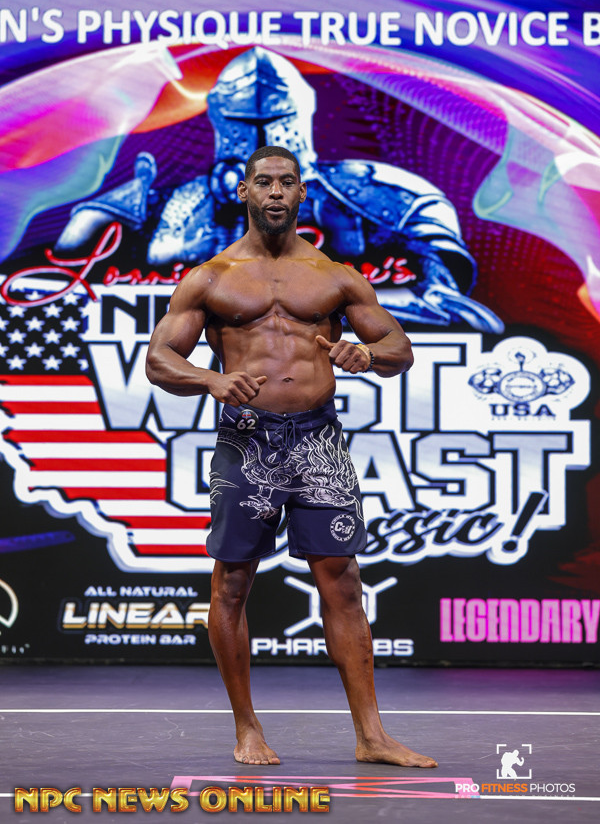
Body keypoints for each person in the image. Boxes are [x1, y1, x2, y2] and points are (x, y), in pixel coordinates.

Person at [146, 145, 437, 769]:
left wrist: (368, 355)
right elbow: (159, 361)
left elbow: (399, 347)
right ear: (244, 191)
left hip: (316, 440)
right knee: (231, 584)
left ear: (303, 193)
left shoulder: (336, 276)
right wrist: (212, 380)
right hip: (246, 441)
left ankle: (371, 736)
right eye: (263, 182)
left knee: (344, 581)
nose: (275, 192)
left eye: (286, 182)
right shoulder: (211, 277)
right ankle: (247, 729)